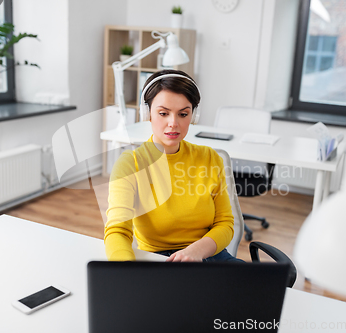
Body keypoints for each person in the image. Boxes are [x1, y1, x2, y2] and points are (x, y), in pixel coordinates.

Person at [104, 69, 244, 263]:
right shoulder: (131, 164)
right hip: (160, 260)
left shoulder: (210, 158)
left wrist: (196, 251)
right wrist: (125, 272)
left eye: (183, 114)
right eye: (163, 113)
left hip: (210, 254)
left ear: (193, 116)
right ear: (147, 113)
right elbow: (117, 231)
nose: (173, 123)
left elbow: (225, 224)